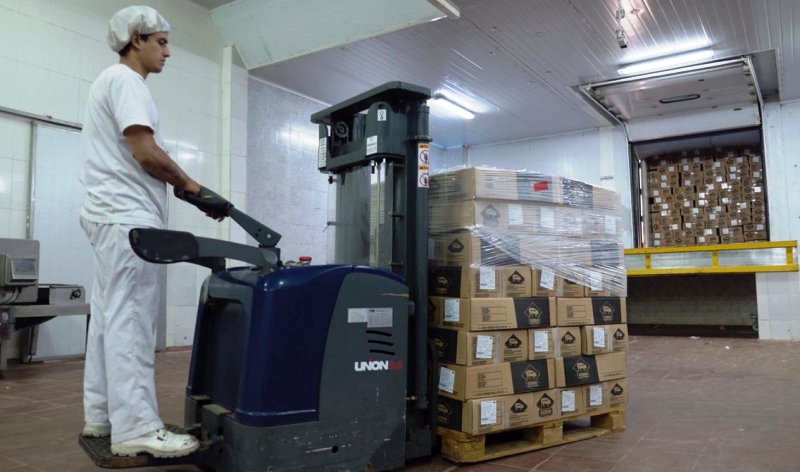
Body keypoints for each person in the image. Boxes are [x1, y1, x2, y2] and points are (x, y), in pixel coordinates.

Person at [79, 5, 219, 458]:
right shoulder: (126, 81)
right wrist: (191, 185)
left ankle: (102, 416)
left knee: (108, 319)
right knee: (132, 320)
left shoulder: (107, 82)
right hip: (127, 216)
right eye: (161, 42)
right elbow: (145, 151)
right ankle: (136, 428)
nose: (168, 52)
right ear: (136, 39)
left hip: (109, 217)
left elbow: (142, 154)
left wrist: (178, 185)